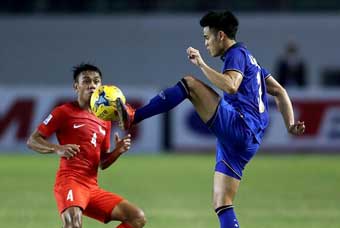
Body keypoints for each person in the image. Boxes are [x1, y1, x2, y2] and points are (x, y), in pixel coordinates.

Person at [115, 11, 305, 228]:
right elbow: (280, 91)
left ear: (221, 35)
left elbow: (231, 85)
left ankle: (133, 116)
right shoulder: (251, 60)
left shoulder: (236, 54)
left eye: (207, 37)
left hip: (241, 126)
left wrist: (202, 65)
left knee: (190, 84)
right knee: (222, 203)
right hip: (248, 141)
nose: (205, 43)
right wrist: (290, 125)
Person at [27, 63, 146, 228]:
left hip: (91, 187)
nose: (92, 85)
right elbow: (33, 140)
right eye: (87, 81)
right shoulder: (64, 112)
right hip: (70, 181)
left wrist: (117, 152)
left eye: (96, 81)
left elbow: (102, 163)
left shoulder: (104, 120)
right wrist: (57, 148)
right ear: (76, 86)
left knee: (136, 217)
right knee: (74, 224)